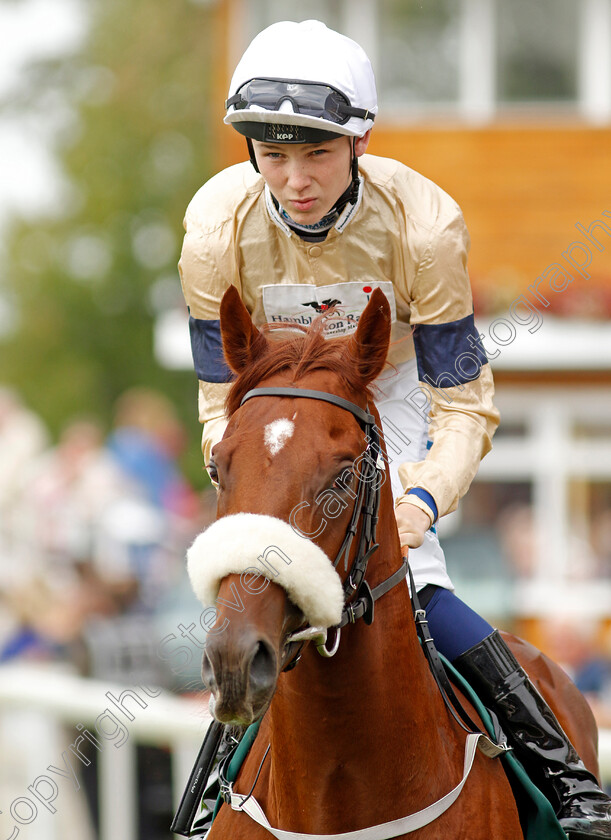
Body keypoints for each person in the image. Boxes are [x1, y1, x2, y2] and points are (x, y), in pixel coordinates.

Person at [178, 19, 610, 837]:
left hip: (395, 382)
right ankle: (211, 791)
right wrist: (247, 485)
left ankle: (563, 775)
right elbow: (214, 400)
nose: (294, 180)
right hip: (275, 392)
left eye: (316, 154)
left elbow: (463, 402)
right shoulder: (213, 229)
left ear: (359, 142)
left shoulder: (423, 225)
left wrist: (419, 504)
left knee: (413, 574)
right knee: (260, 582)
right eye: (272, 156)